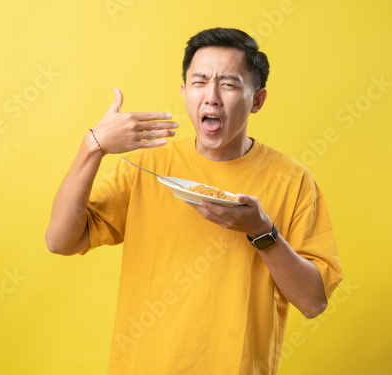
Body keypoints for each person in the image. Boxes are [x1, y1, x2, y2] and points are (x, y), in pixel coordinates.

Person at [45, 27, 343, 374]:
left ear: (257, 100)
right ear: (185, 92)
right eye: (200, 82)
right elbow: (60, 240)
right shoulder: (148, 164)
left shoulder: (293, 181)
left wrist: (262, 232)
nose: (212, 97)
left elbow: (312, 302)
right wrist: (92, 146)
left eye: (229, 84)